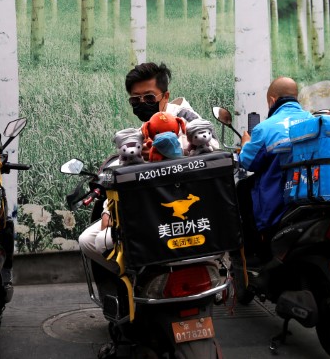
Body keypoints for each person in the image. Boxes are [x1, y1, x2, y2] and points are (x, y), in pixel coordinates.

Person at [78, 62, 208, 273]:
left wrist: (171, 155)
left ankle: (139, 274)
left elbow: (210, 150)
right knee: (87, 241)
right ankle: (140, 278)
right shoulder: (141, 131)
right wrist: (107, 211)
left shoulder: (186, 119)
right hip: (148, 210)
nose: (142, 103)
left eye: (149, 97)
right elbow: (124, 170)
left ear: (165, 96)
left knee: (99, 241)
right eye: (135, 99)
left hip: (183, 213)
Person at [237, 77, 313, 258]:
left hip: (277, 208)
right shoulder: (313, 121)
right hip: (311, 200)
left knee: (242, 189)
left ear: (272, 100)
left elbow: (247, 163)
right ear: (296, 98)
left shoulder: (264, 129)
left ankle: (252, 255)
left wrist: (246, 144)